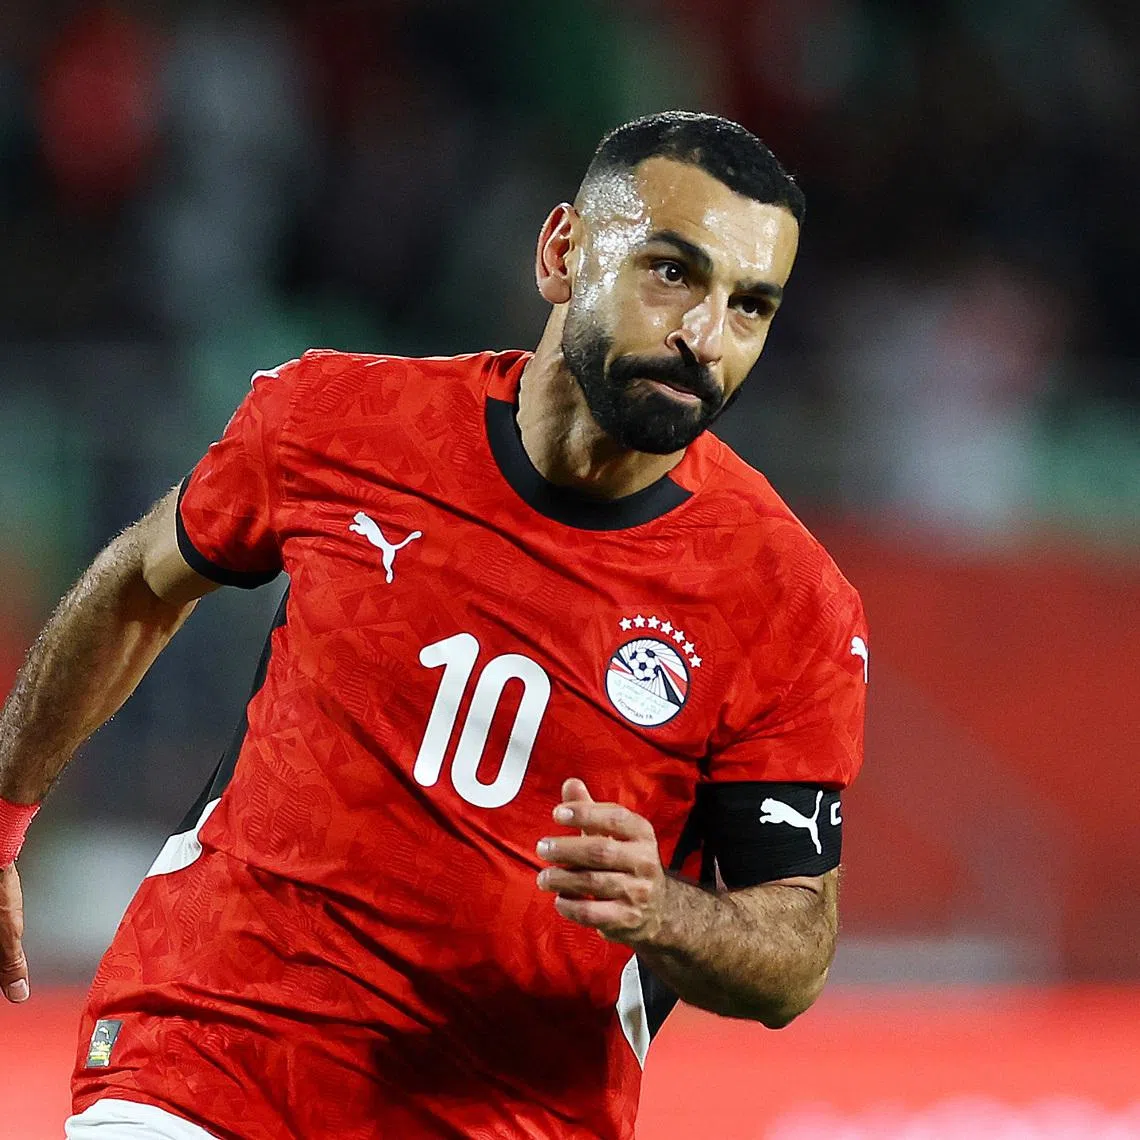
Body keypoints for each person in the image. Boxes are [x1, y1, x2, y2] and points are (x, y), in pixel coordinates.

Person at [0, 111, 868, 1140]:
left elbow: (795, 949)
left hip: (503, 1114)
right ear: (562, 254)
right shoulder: (335, 419)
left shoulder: (789, 600)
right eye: (672, 273)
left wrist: (666, 911)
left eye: (750, 306)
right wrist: (7, 812)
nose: (705, 337)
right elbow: (139, 586)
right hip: (205, 1056)